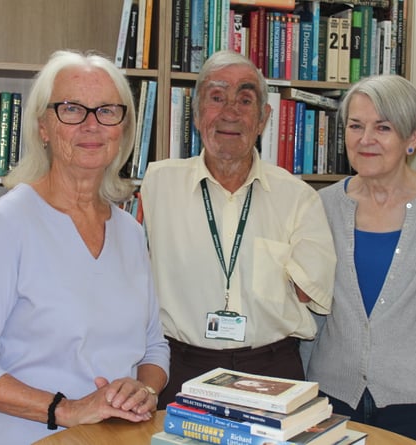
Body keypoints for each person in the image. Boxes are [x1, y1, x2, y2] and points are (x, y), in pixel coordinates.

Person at [0, 50, 170, 444]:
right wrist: (67, 409)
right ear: (43, 126)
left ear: (123, 128)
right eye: (72, 109)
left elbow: (153, 346)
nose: (91, 125)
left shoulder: (130, 231)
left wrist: (144, 391)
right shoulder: (8, 224)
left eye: (107, 111)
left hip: (114, 437)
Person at [140, 50, 336, 409]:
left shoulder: (299, 198)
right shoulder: (156, 185)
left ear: (263, 118)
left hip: (271, 369)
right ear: (197, 113)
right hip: (179, 367)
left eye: (245, 100)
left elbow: (310, 295)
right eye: (216, 98)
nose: (230, 112)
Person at [305, 75, 416, 445]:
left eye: (382, 128)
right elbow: (313, 315)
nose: (365, 139)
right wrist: (301, 394)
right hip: (332, 398)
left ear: (413, 138)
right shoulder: (321, 206)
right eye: (355, 126)